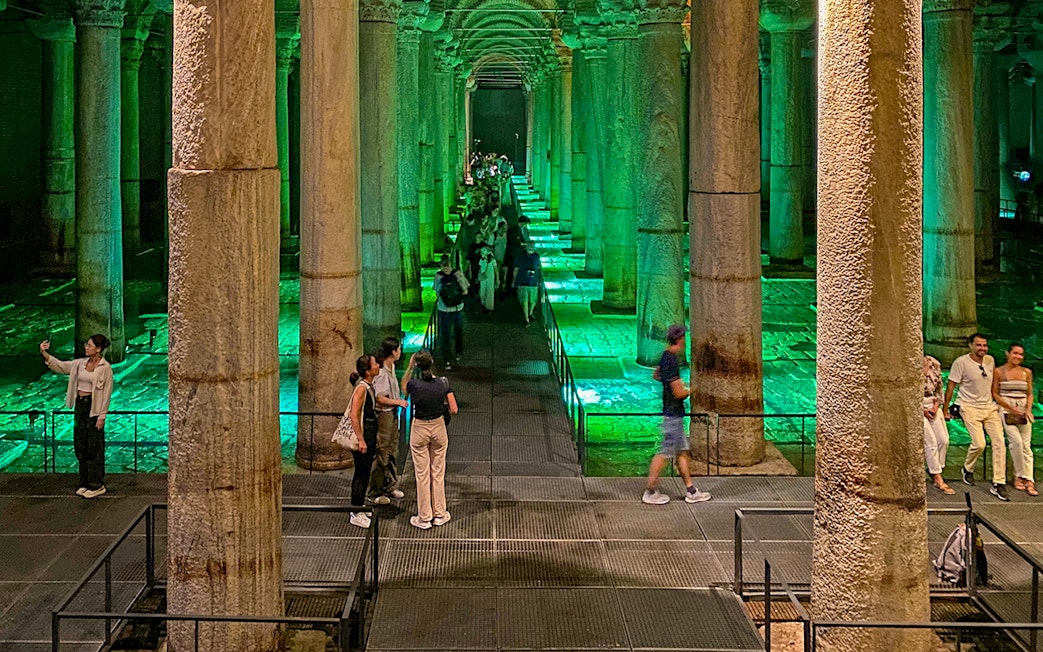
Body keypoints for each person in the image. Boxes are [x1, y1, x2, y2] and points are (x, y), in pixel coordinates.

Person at [642, 325, 712, 505]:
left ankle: (691, 490)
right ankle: (650, 491)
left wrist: (673, 383)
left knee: (682, 452)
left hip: (672, 413)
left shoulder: (665, 355)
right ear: (680, 339)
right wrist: (692, 389)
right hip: (673, 415)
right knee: (665, 452)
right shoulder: (672, 361)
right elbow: (679, 393)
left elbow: (656, 375)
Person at [40, 335, 113, 498]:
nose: (86, 347)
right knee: (81, 443)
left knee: (94, 446)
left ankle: (97, 484)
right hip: (80, 406)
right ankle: (85, 482)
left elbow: (107, 394)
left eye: (89, 345)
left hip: (93, 408)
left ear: (98, 349)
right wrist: (45, 354)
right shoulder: (79, 364)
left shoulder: (105, 368)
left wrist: (102, 416)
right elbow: (61, 366)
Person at [944, 333, 1009, 501]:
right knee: (979, 444)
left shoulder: (990, 360)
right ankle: (967, 469)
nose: (982, 349)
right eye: (979, 345)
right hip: (968, 406)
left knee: (999, 443)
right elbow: (951, 386)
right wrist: (946, 409)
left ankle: (998, 482)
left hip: (989, 407)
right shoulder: (961, 362)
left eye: (985, 345)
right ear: (971, 345)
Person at [401, 350, 457, 530]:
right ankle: (440, 514)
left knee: (422, 474)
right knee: (438, 473)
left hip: (420, 428)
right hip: (438, 427)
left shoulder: (414, 385)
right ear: (432, 362)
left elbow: (404, 389)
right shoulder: (443, 383)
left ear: (416, 364)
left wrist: (409, 368)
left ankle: (424, 517)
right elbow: (454, 409)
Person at [369, 337, 409, 505]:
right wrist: (398, 402)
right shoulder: (382, 373)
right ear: (393, 352)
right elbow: (380, 398)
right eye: (399, 349)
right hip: (385, 415)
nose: (400, 352)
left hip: (392, 415)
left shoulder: (391, 368)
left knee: (392, 450)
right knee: (382, 453)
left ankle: (390, 485)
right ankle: (375, 492)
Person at [993, 342, 1036, 496]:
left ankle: (1029, 479)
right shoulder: (999, 371)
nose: (1018, 357)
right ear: (1008, 353)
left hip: (1023, 410)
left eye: (1020, 354)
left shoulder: (1027, 372)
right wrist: (1011, 408)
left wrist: (1028, 409)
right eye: (1015, 353)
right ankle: (1018, 475)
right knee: (1016, 442)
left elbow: (1030, 393)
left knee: (1026, 445)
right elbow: (995, 393)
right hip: (1007, 410)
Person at [347, 355, 380, 528]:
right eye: (375, 364)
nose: (378, 365)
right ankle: (356, 511)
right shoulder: (361, 388)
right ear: (368, 370)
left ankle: (360, 505)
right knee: (360, 473)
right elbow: (354, 414)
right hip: (364, 436)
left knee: (365, 472)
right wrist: (361, 440)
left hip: (369, 434)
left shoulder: (368, 385)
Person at [923, 355, 953, 494]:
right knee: (931, 442)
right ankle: (937, 477)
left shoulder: (934, 363)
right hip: (917, 407)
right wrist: (922, 410)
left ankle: (935, 468)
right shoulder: (907, 364)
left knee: (943, 440)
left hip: (933, 404)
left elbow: (939, 389)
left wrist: (936, 406)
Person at [434, 255, 469, 370]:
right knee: (458, 331)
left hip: (444, 309)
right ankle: (458, 352)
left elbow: (437, 292)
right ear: (450, 263)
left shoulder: (438, 276)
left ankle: (447, 360)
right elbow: (465, 291)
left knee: (445, 334)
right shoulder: (457, 273)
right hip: (458, 308)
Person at [515, 242, 541, 325]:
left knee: (531, 300)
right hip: (525, 281)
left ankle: (529, 314)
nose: (531, 247)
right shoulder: (522, 256)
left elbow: (539, 268)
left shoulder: (536, 256)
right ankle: (527, 318)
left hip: (531, 282)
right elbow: (516, 269)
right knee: (526, 300)